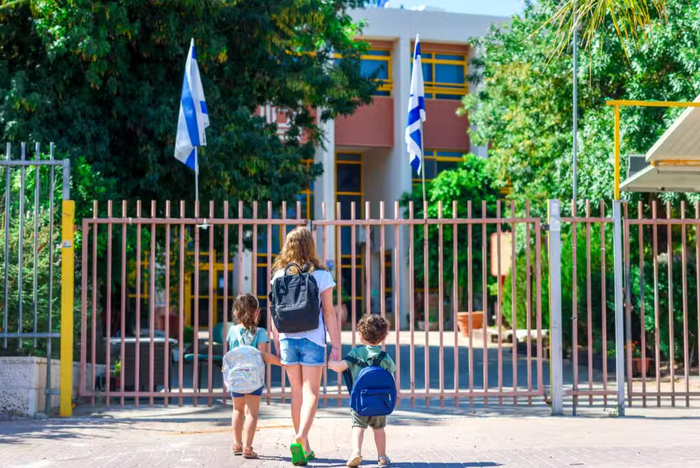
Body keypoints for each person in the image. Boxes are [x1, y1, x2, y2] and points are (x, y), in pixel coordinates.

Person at [269, 226, 342, 465]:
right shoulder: (321, 275)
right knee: (311, 392)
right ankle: (301, 436)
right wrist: (336, 345)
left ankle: (305, 447)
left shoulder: (279, 275)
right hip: (313, 339)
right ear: (310, 246)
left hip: (287, 338)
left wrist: (277, 339)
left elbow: (273, 312)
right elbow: (329, 313)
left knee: (296, 393)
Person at [328, 314, 395, 467]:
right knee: (379, 429)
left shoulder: (355, 354)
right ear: (382, 337)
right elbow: (391, 378)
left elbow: (339, 367)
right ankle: (382, 457)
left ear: (362, 336)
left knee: (357, 427)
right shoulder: (385, 357)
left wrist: (330, 362)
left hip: (359, 401)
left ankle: (356, 452)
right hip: (380, 401)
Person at [227, 293, 281, 459]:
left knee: (237, 410)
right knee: (251, 413)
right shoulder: (261, 332)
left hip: (236, 378)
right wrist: (282, 362)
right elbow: (264, 355)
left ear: (236, 313)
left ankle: (237, 444)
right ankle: (248, 448)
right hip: (254, 380)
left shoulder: (232, 331)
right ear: (257, 312)